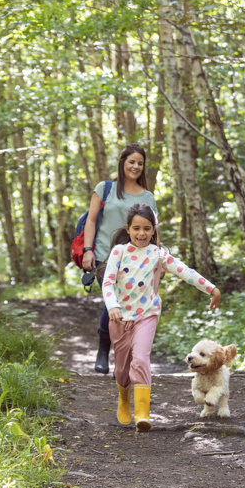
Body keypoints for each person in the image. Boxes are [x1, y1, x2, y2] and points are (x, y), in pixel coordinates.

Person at [102, 203, 221, 432]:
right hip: (119, 317)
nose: (141, 233)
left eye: (147, 228)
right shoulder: (119, 252)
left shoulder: (157, 254)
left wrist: (211, 289)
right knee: (121, 369)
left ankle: (142, 414)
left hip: (147, 314)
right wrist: (113, 306)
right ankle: (124, 397)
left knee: (140, 360)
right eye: (136, 228)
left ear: (153, 230)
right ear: (128, 229)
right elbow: (107, 282)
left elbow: (185, 271)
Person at [82, 144, 158, 375]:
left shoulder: (148, 196)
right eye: (131, 162)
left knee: (130, 304)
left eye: (140, 163)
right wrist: (88, 250)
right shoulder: (105, 188)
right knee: (112, 302)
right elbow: (91, 221)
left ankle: (125, 352)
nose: (135, 166)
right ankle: (104, 350)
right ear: (122, 163)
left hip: (139, 262)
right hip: (106, 257)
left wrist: (159, 262)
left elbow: (153, 230)